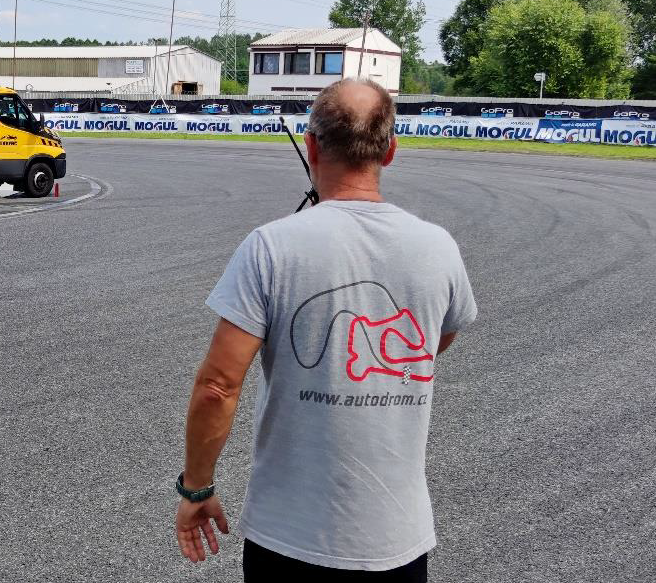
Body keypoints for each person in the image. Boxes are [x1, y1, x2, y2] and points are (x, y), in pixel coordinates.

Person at [174, 78, 477, 581]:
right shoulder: (438, 246)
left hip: (289, 538)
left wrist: (196, 488)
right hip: (397, 539)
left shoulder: (271, 246)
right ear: (391, 151)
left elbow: (217, 386)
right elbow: (435, 339)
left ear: (312, 146)